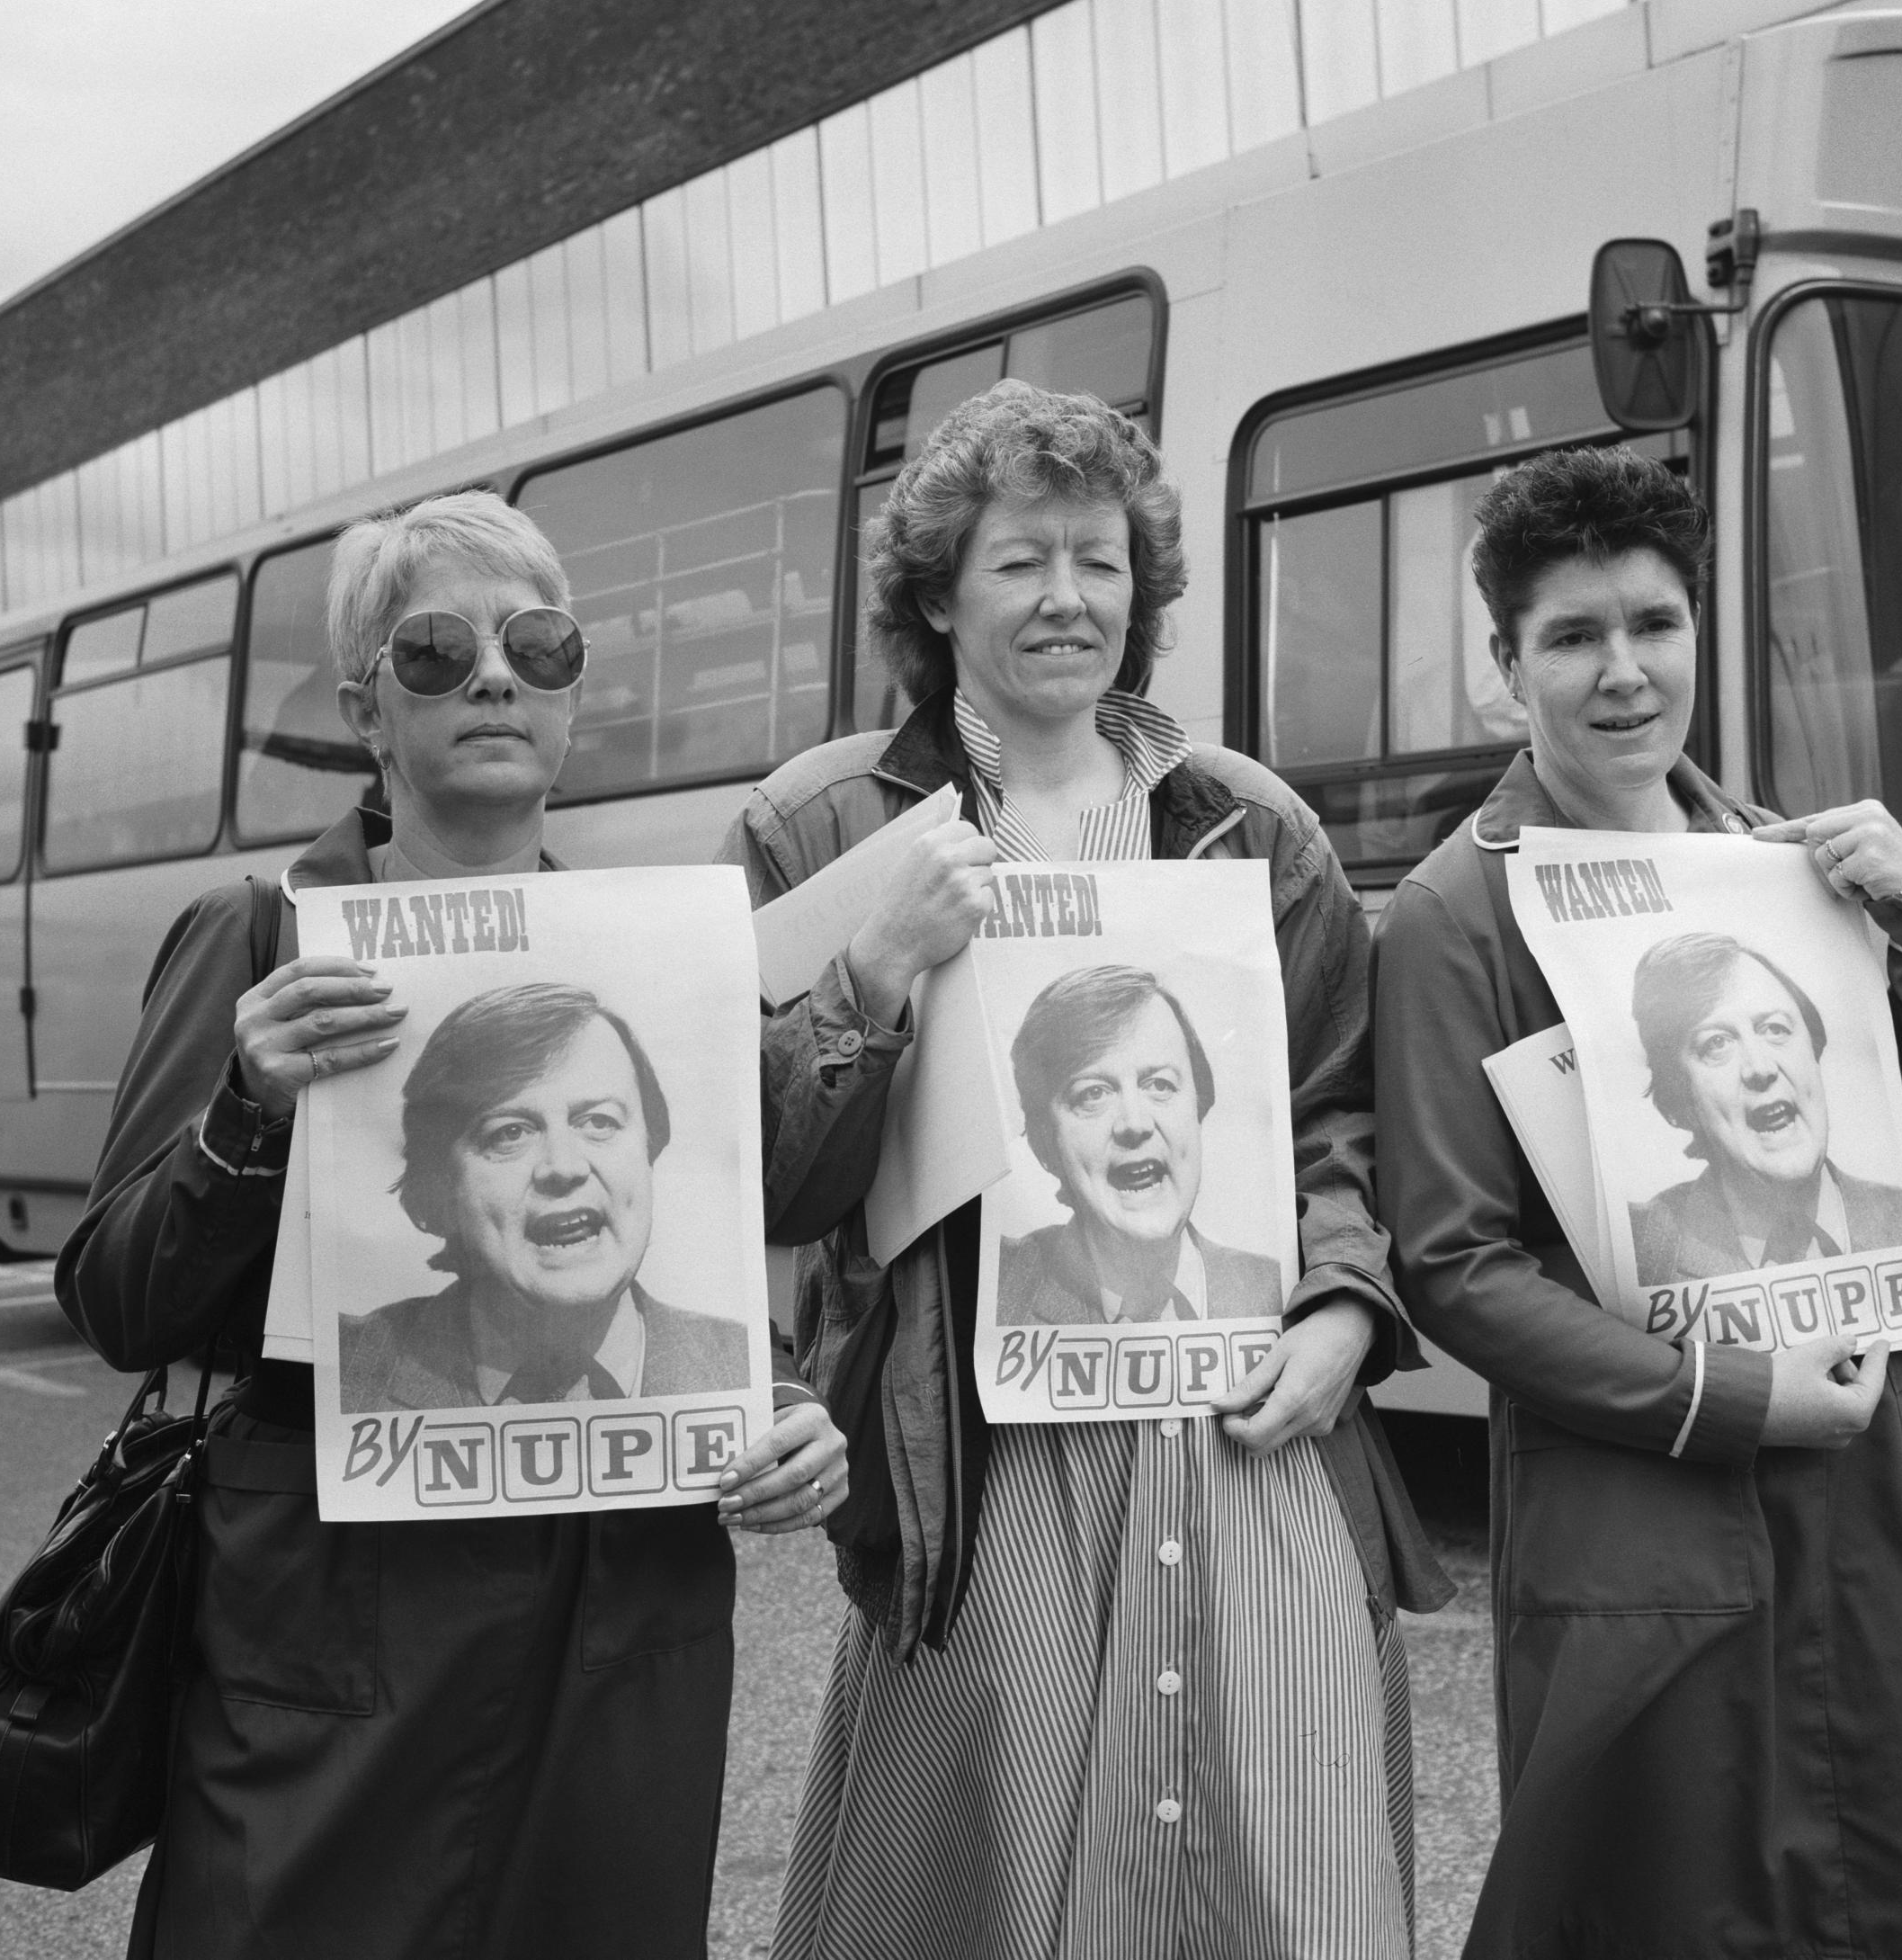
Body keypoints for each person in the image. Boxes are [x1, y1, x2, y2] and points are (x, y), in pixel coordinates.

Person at [56, 488, 847, 1960]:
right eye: (436, 652)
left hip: (615, 1637)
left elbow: (684, 1265)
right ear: (367, 707)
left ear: (571, 695)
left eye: (537, 646)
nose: (495, 676)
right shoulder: (262, 940)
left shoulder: (653, 960)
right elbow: (116, 1298)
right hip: (339, 1631)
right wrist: (248, 1109)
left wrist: (781, 1411)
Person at [724, 380, 1451, 1960]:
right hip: (982, 1450)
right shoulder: (822, 822)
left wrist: (1340, 1310)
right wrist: (872, 976)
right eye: (1020, 562)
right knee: (993, 1866)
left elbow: (1337, 1117)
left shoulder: (1246, 822)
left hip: (1240, 1423)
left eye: (1101, 561)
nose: (1069, 597)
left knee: (1283, 1860)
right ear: (936, 593)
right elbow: (753, 1174)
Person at [1371, 445, 1902, 1958]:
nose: (1622, 674)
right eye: (1573, 637)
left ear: (1695, 634)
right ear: (1504, 668)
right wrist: (1730, 1398)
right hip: (1646, 1511)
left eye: (1653, 626)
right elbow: (1457, 1265)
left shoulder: (1782, 864)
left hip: (1877, 1484)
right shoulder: (1458, 912)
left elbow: (1900, 1181)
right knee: (1675, 1904)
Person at [338, 981, 750, 1410]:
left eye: (599, 1121)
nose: (564, 1167)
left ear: (651, 1147)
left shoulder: (755, 1377)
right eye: (510, 1133)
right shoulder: (342, 1370)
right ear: (441, 1182)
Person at [997, 962, 1284, 1325]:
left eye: (1160, 1085)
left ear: (1199, 1108)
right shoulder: (1001, 1291)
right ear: (1043, 1145)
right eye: (1093, 1094)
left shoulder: (1282, 1293)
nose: (1134, 1123)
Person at [1626, 931, 1902, 1285]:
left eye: (1775, 1028)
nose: (1760, 1068)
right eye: (1716, 1043)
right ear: (1681, 1103)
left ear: (1814, 1052)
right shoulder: (1640, 1248)